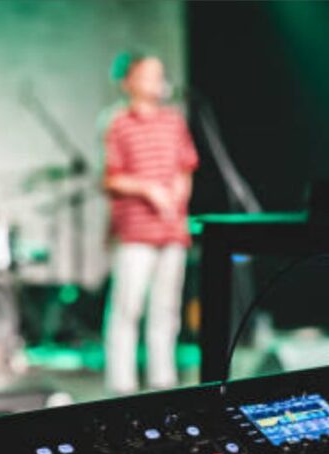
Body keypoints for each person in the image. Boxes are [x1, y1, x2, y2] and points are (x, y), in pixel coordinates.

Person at [100, 51, 199, 394]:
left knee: (166, 309)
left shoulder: (174, 120)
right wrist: (148, 189)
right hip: (135, 233)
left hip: (172, 230)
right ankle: (121, 386)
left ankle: (163, 381)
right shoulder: (117, 122)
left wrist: (176, 197)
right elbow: (110, 178)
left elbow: (186, 167)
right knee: (127, 308)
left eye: (160, 73)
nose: (157, 81)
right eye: (148, 74)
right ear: (129, 82)